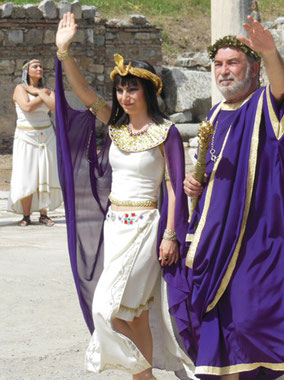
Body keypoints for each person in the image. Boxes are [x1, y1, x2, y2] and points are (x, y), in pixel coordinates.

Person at [183, 17, 284, 380]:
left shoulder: (263, 103)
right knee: (228, 334)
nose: (224, 71)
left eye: (233, 63)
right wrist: (195, 184)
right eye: (218, 64)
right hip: (219, 243)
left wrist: (270, 52)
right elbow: (215, 172)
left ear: (253, 69)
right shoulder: (215, 114)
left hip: (264, 240)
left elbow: (280, 86)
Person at [55, 13, 194, 380]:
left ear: (148, 91)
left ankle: (143, 375)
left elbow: (174, 185)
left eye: (132, 89)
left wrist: (170, 234)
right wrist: (64, 51)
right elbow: (84, 94)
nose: (124, 96)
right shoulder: (115, 127)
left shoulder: (168, 133)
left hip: (147, 228)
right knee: (133, 312)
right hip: (115, 226)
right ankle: (141, 377)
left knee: (109, 308)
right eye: (120, 89)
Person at [8, 58, 62, 226]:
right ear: (27, 70)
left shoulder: (47, 90)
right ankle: (26, 215)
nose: (39, 68)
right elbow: (27, 107)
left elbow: (54, 106)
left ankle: (44, 214)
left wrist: (40, 93)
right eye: (35, 66)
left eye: (41, 66)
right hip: (26, 136)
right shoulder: (20, 88)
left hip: (46, 134)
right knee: (27, 174)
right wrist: (41, 94)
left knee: (44, 172)